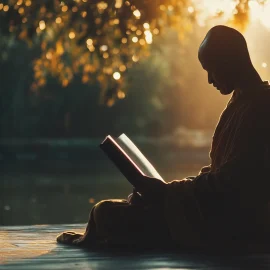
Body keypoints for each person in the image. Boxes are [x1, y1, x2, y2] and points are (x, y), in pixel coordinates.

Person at [57, 25, 270, 250]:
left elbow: (235, 184)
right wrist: (167, 191)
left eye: (212, 69)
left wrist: (169, 194)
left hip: (235, 225)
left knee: (106, 213)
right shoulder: (240, 103)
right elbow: (219, 173)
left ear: (230, 60)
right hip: (212, 213)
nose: (209, 80)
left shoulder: (260, 106)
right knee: (118, 208)